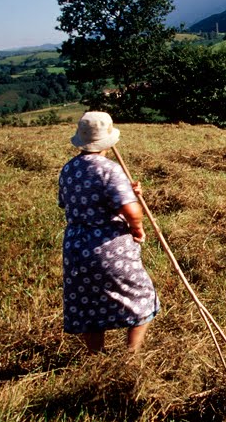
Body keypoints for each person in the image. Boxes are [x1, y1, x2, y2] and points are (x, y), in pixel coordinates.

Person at [58, 111, 160, 354]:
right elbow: (131, 211)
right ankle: (131, 355)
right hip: (108, 246)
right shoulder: (109, 169)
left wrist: (126, 189)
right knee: (142, 297)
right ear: (107, 140)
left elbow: (69, 202)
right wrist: (138, 229)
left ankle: (96, 356)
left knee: (88, 301)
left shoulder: (69, 169)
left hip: (75, 247)